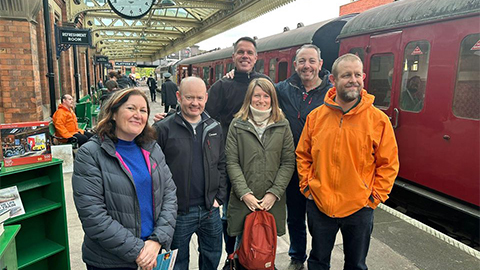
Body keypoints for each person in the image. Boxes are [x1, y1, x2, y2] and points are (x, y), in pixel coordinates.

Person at [224, 44, 332, 270]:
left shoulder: (331, 93)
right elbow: (260, 88)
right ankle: (297, 257)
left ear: (320, 64)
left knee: (319, 220)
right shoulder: (283, 88)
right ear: (295, 65)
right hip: (291, 168)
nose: (307, 66)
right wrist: (236, 74)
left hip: (320, 168)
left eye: (312, 61)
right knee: (294, 217)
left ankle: (319, 262)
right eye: (302, 61)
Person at [296, 53, 399, 270]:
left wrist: (374, 197)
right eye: (346, 75)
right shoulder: (316, 117)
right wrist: (307, 187)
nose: (353, 79)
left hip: (359, 208)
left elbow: (388, 164)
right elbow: (303, 155)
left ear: (363, 77)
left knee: (356, 265)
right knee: (317, 261)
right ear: (333, 80)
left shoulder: (378, 120)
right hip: (320, 205)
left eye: (357, 74)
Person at [72, 88, 178, 270]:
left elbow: (170, 195)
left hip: (153, 253)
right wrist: (140, 251)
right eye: (131, 108)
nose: (138, 115)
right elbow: (93, 216)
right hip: (111, 261)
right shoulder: (90, 154)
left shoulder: (152, 148)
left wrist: (157, 240)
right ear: (113, 113)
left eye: (143, 111)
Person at [205, 36, 270, 268]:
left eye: (249, 52)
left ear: (256, 57)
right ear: (233, 57)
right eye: (240, 52)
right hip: (228, 159)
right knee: (229, 211)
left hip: (257, 161)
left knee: (254, 210)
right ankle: (231, 254)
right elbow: (204, 117)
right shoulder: (222, 86)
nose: (245, 56)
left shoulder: (264, 83)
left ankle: (250, 253)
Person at [154, 77, 227, 270]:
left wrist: (219, 197)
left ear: (206, 98)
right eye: (189, 97)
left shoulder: (214, 127)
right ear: (178, 97)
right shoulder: (163, 129)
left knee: (212, 257)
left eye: (199, 98)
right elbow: (153, 170)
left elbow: (222, 163)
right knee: (178, 262)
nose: (195, 103)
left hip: (210, 209)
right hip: (178, 213)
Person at [225, 78, 295, 268]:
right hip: (243, 203)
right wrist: (244, 194)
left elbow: (288, 162)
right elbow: (231, 161)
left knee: (265, 250)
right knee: (243, 249)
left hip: (271, 203)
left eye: (266, 96)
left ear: (272, 99)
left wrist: (274, 193)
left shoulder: (283, 125)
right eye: (257, 95)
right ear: (249, 97)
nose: (261, 100)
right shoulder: (237, 125)